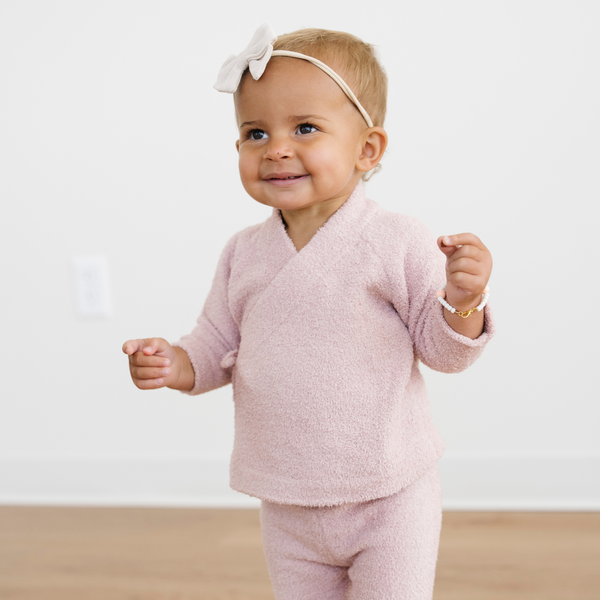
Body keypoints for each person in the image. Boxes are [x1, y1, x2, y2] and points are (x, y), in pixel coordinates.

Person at [122, 23, 495, 600]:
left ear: (367, 149)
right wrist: (173, 363)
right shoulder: (243, 253)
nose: (276, 148)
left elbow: (444, 353)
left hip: (389, 493)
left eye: (304, 128)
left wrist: (463, 301)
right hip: (288, 498)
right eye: (254, 132)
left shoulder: (395, 240)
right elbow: (213, 345)